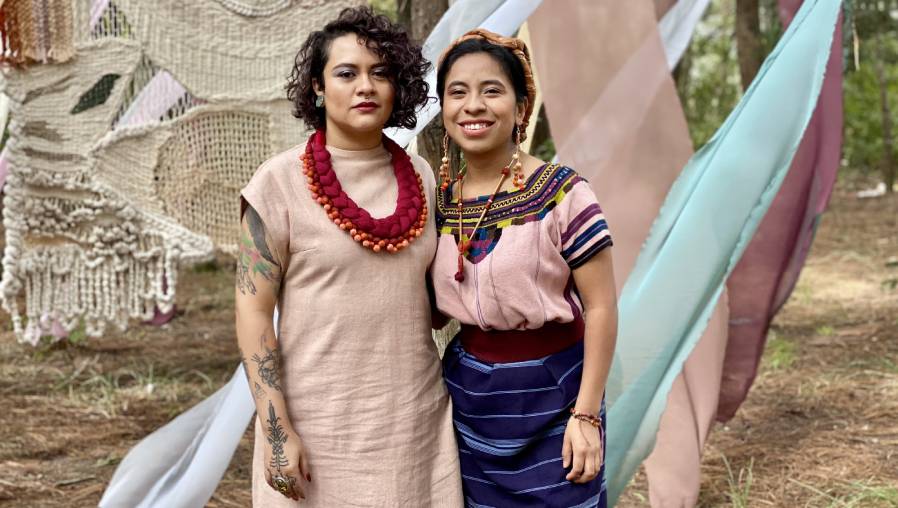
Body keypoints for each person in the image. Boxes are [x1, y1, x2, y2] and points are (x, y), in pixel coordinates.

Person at [234, 7, 462, 506]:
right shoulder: (277, 183)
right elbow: (253, 313)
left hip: (413, 425)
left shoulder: (422, 177)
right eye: (346, 73)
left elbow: (433, 300)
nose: (365, 87)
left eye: (380, 73)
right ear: (318, 87)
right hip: (318, 431)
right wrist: (277, 431)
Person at [432, 29, 619, 507]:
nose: (473, 105)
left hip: (557, 395)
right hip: (472, 402)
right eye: (458, 92)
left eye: (491, 90)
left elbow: (601, 307)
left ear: (520, 108)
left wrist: (586, 416)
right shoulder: (440, 204)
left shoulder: (563, 193)